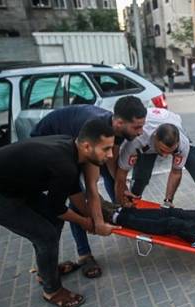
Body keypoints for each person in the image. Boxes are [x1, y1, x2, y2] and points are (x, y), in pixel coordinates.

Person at [0, 119, 117, 307]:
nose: (110, 155)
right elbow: (57, 207)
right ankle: (52, 291)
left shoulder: (71, 148)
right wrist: (85, 222)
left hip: (13, 187)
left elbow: (70, 195)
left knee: (53, 222)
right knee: (46, 235)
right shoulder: (64, 165)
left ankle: (46, 270)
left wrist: (93, 218)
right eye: (106, 149)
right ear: (86, 146)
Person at [30, 98, 147, 278]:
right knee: (77, 196)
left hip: (77, 140)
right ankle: (84, 254)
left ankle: (120, 213)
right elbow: (91, 188)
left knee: (109, 176)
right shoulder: (91, 136)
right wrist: (96, 222)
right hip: (52, 142)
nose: (140, 132)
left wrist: (122, 191)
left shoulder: (118, 129)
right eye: (137, 127)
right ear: (119, 123)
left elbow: (112, 164)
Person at [115, 107, 195, 213]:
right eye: (162, 150)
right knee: (142, 175)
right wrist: (122, 199)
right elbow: (121, 173)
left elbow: (176, 172)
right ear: (155, 139)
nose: (164, 156)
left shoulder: (182, 144)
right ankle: (133, 201)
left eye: (170, 152)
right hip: (147, 137)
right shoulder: (136, 140)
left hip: (171, 124)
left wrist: (168, 201)